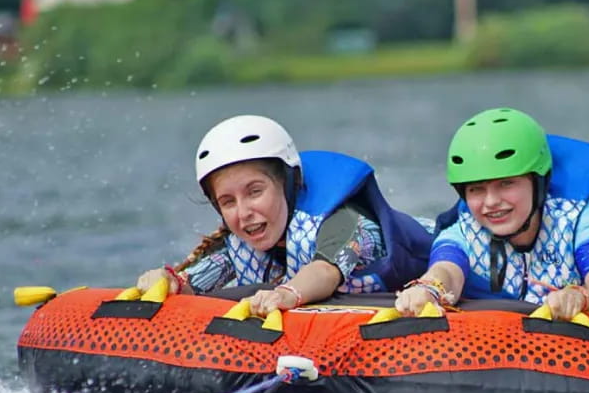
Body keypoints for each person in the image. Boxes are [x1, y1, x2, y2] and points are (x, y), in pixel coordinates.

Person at [395, 107, 589, 320]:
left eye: (506, 183)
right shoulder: (462, 229)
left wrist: (580, 298)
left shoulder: (578, 219)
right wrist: (429, 291)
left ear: (538, 182)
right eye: (477, 189)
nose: (491, 202)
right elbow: (445, 272)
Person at [137, 114, 433, 316]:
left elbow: (326, 272)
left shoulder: (344, 222)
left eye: (255, 192)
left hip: (448, 262)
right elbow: (193, 284)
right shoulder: (240, 244)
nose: (243, 213)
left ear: (290, 182)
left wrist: (286, 294)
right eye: (227, 202)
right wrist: (167, 281)